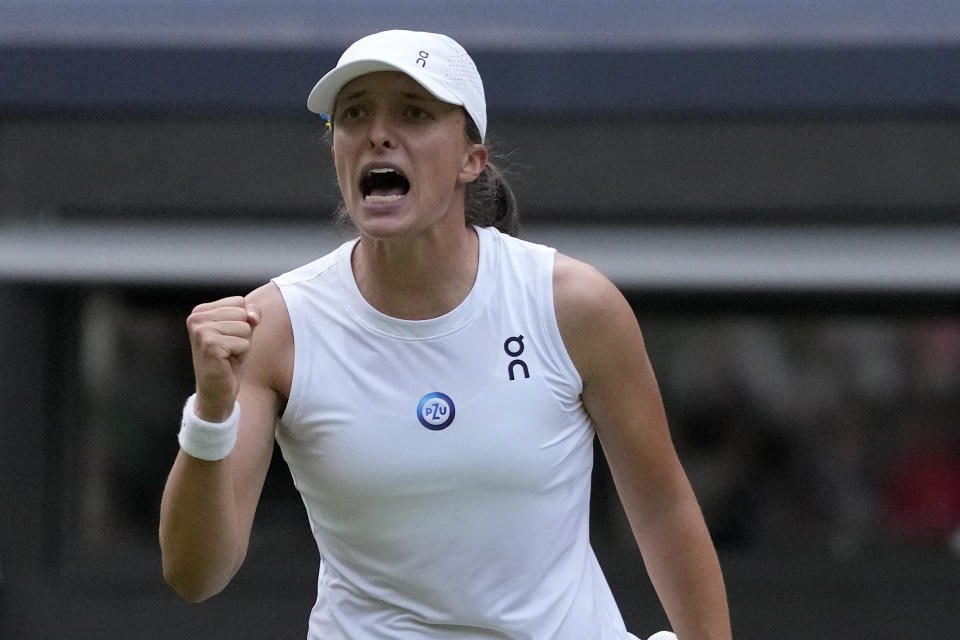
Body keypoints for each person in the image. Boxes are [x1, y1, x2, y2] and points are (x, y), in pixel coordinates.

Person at [159, 29, 731, 640]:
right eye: (355, 114)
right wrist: (210, 415)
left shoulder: (575, 305)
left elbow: (663, 508)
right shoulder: (273, 327)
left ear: (470, 160)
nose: (379, 132)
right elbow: (197, 575)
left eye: (414, 112)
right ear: (336, 154)